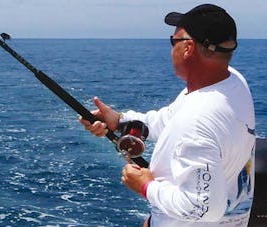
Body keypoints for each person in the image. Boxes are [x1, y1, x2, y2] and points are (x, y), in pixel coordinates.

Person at [79, 4, 255, 227]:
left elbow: (205, 208)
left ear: (188, 48)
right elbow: (170, 118)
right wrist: (120, 120)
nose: (171, 48)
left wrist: (146, 186)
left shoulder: (197, 118)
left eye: (174, 41)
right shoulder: (231, 82)